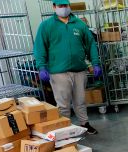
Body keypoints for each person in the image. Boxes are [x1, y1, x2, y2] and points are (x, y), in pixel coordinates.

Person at [34, 0, 101, 135]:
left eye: (66, 5)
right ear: (54, 7)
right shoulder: (46, 26)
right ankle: (65, 128)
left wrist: (95, 63)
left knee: (80, 101)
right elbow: (40, 47)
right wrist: (41, 67)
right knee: (63, 104)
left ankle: (85, 124)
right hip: (59, 72)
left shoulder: (79, 24)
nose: (63, 8)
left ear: (69, 6)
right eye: (60, 6)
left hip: (79, 70)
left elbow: (91, 44)